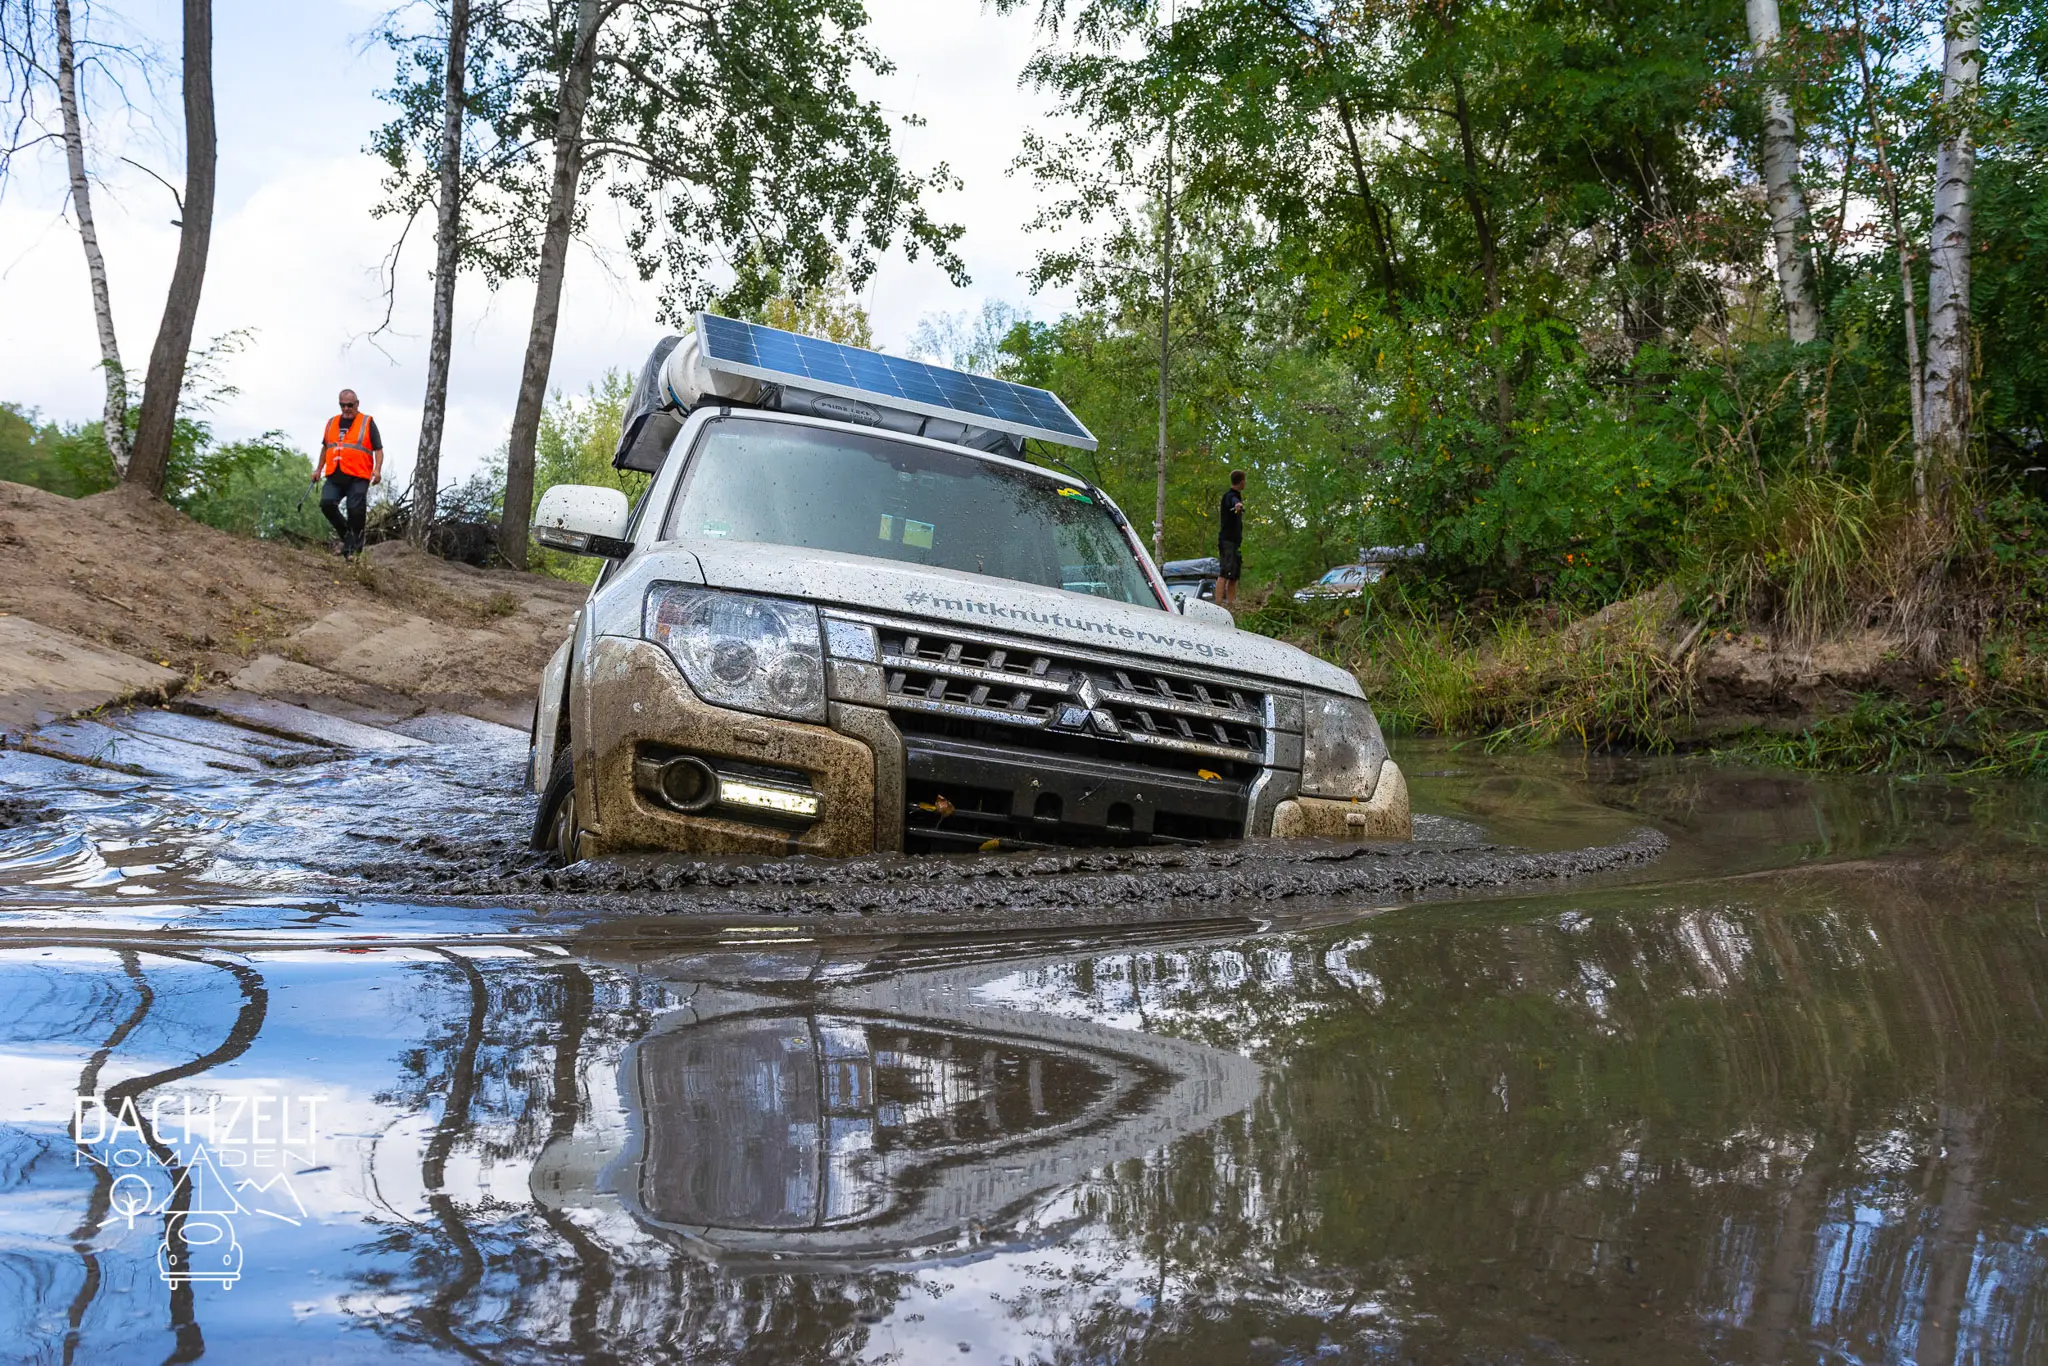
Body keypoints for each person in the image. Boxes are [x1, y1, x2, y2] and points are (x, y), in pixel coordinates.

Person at [311, 389, 383, 557]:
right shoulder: (331, 423)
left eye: (349, 405)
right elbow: (326, 447)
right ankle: (348, 538)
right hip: (336, 474)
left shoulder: (367, 422)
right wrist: (318, 469)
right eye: (342, 405)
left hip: (358, 475)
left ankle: (353, 551)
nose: (346, 409)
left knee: (355, 510)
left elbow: (378, 450)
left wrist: (377, 470)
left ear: (357, 404)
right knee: (327, 503)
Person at [1216, 469, 1247, 608]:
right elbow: (1233, 501)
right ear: (1241, 482)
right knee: (1225, 571)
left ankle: (1230, 605)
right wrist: (1237, 505)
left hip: (1236, 542)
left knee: (1234, 575)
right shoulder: (1230, 496)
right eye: (1244, 480)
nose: (1245, 482)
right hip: (1227, 540)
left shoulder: (1237, 496)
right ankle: (1218, 604)